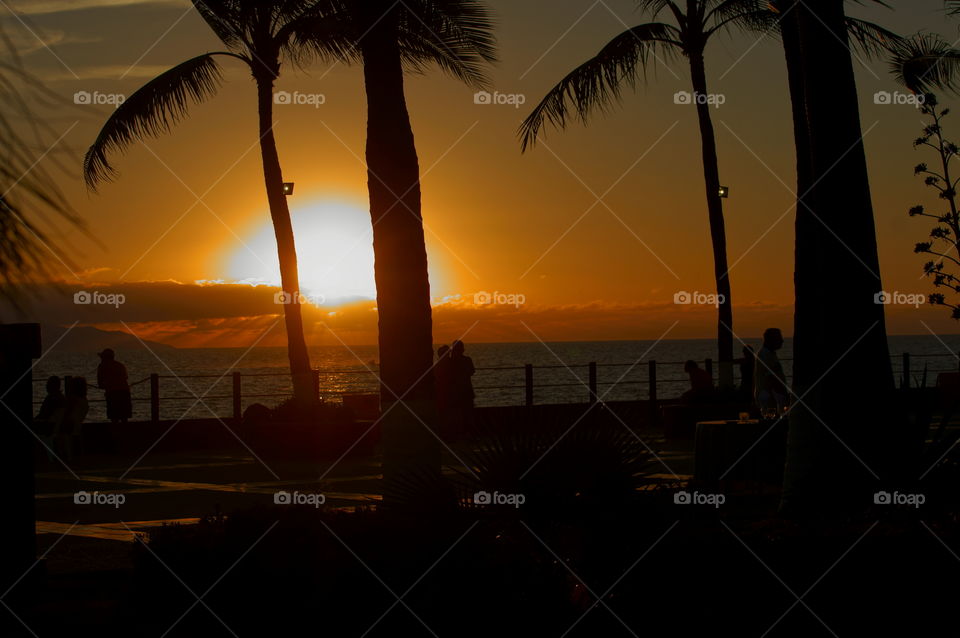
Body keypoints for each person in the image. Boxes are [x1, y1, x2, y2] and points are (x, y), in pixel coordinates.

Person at [755, 328, 788, 416]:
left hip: (771, 396)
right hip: (771, 398)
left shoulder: (768, 354)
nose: (782, 341)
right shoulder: (765, 355)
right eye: (779, 338)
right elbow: (771, 378)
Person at [56, 376, 89, 462]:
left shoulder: (73, 400)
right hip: (78, 424)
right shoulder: (84, 400)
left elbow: (66, 412)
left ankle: (63, 454)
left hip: (70, 424)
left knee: (58, 430)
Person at [448, 340, 475, 439]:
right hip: (466, 390)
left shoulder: (450, 362)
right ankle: (469, 433)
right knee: (468, 414)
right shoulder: (467, 360)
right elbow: (472, 371)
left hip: (455, 392)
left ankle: (458, 433)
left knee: (457, 414)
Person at [35, 376, 65, 461]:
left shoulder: (51, 399)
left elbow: (44, 414)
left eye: (47, 384)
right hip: (53, 426)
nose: (46, 386)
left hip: (47, 427)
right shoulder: (61, 398)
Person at [97, 348, 131, 423]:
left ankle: (116, 433)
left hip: (112, 393)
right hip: (124, 392)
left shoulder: (102, 366)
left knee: (114, 417)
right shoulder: (120, 365)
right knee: (124, 417)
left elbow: (100, 383)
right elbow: (125, 377)